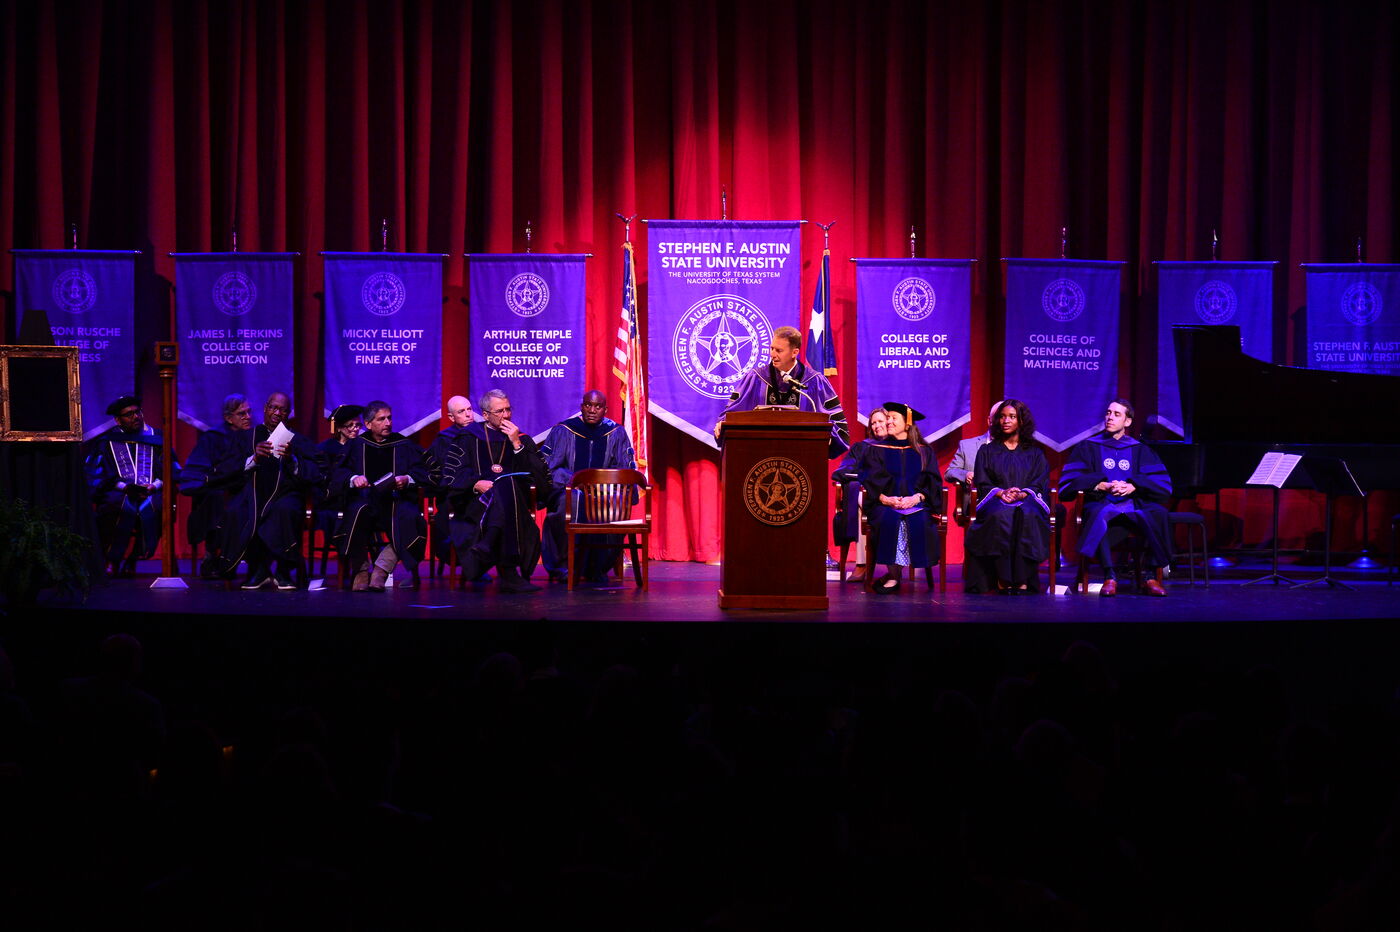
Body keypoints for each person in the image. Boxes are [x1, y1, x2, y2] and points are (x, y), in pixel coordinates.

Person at [1059, 399, 1173, 597]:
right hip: (1101, 502)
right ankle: (1109, 576)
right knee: (1096, 513)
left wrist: (1133, 486)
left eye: (1116, 414)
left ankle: (1150, 576)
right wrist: (1101, 484)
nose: (1110, 417)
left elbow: (1163, 485)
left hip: (1135, 504)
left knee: (1159, 513)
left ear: (1127, 422)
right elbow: (1069, 483)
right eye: (1108, 413)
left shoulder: (1141, 450)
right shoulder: (1088, 447)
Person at [212, 391, 323, 590]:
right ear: (265, 408)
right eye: (273, 407)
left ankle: (283, 571)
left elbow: (315, 473)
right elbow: (225, 469)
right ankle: (257, 570)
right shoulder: (246, 437)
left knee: (285, 510)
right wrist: (254, 458)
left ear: (289, 413)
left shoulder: (298, 441)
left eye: (283, 410)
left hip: (285, 494)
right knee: (237, 511)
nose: (277, 413)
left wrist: (292, 460)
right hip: (251, 493)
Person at [447, 389, 553, 593]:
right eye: (500, 411)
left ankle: (488, 543)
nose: (506, 415)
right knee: (503, 486)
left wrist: (516, 444)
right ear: (485, 415)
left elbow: (538, 478)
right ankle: (509, 574)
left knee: (506, 483)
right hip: (478, 503)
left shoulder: (520, 439)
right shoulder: (468, 438)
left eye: (508, 409)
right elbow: (452, 475)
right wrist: (475, 484)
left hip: (515, 505)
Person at [539, 390, 637, 583]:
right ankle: (565, 566)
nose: (592, 410)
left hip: (604, 491)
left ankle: (598, 567)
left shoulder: (616, 433)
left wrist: (601, 485)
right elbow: (550, 468)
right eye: (588, 405)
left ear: (605, 410)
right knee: (572, 502)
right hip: (569, 490)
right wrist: (576, 482)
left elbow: (624, 469)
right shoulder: (563, 430)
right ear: (582, 407)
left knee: (614, 505)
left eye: (598, 406)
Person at [334, 400, 430, 592]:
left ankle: (381, 569)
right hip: (364, 500)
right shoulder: (356, 445)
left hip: (396, 500)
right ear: (368, 424)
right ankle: (361, 570)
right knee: (355, 513)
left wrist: (407, 479)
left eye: (389, 418)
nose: (388, 423)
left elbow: (423, 471)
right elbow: (338, 471)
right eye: (381, 419)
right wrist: (354, 478)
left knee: (410, 518)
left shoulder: (403, 444)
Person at [714, 325, 849, 456]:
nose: (772, 354)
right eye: (772, 348)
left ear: (794, 352)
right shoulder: (756, 378)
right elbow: (732, 413)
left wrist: (829, 436)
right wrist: (723, 423)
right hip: (759, 455)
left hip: (802, 456)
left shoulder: (814, 381)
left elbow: (836, 423)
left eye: (778, 350)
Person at [964, 399, 1052, 593]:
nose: (1006, 421)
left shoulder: (1035, 453)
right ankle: (1003, 577)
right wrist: (1001, 492)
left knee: (1028, 515)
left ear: (1021, 421)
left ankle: (1023, 578)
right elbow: (983, 481)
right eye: (1002, 417)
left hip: (1027, 499)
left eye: (1012, 416)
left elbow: (1040, 481)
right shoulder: (987, 451)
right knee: (1001, 515)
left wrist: (1023, 493)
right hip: (996, 500)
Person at [84, 395, 178, 575]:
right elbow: (96, 474)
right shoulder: (106, 442)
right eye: (129, 414)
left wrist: (154, 485)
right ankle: (111, 558)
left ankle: (134, 557)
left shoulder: (157, 438)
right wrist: (123, 487)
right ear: (118, 420)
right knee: (113, 507)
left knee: (158, 507)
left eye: (137, 412)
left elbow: (171, 469)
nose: (136, 417)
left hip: (152, 491)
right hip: (118, 492)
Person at [861, 402, 942, 594]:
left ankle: (896, 575)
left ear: (907, 423)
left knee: (918, 519)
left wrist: (917, 497)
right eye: (887, 417)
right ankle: (893, 575)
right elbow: (870, 479)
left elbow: (933, 482)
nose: (888, 421)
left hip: (917, 504)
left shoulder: (924, 450)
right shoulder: (877, 448)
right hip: (885, 504)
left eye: (893, 418)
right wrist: (885, 499)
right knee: (889, 518)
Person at [178, 393, 252, 578]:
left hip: (246, 490)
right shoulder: (213, 438)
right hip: (219, 490)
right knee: (217, 500)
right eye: (242, 413)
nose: (248, 417)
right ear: (228, 418)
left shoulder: (253, 437)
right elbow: (199, 468)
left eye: (249, 412)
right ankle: (213, 555)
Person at [831, 407, 888, 582]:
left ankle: (873, 565)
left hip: (891, 495)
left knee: (861, 499)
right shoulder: (862, 448)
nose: (877, 425)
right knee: (858, 495)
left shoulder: (898, 447)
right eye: (873, 423)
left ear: (889, 422)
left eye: (880, 421)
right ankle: (862, 564)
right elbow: (842, 471)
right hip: (867, 496)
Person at [423, 395, 477, 569]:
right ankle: (466, 565)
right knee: (450, 519)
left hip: (479, 493)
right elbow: (438, 473)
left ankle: (478, 564)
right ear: (451, 417)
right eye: (461, 411)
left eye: (469, 409)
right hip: (452, 494)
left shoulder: (483, 435)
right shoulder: (444, 439)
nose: (468, 414)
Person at [311, 404, 364, 568]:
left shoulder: (362, 446)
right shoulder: (324, 449)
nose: (355, 429)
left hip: (358, 498)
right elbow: (324, 480)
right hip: (333, 500)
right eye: (350, 425)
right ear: (339, 428)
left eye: (358, 425)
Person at [944, 400, 1004, 485]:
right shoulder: (967, 446)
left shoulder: (1018, 448)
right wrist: (966, 474)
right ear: (989, 421)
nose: (1004, 421)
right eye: (999, 417)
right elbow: (950, 472)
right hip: (975, 492)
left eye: (1010, 417)